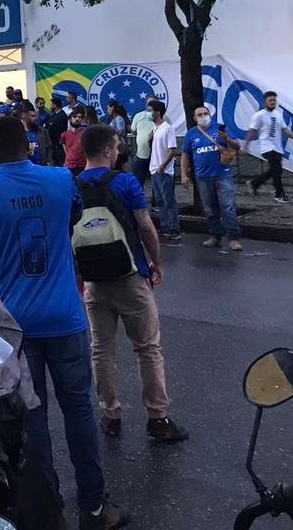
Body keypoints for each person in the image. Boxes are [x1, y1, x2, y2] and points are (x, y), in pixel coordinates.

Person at [0, 118, 126, 530]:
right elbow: (70, 220)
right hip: (66, 317)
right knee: (80, 412)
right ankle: (94, 508)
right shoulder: (62, 181)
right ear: (29, 145)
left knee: (33, 422)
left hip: (16, 327)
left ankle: (50, 512)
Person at [78, 125, 189, 444]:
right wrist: (156, 263)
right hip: (130, 277)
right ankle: (157, 417)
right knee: (148, 349)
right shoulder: (125, 181)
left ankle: (110, 414)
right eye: (116, 146)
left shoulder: (72, 185)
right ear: (108, 151)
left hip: (94, 282)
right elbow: (145, 227)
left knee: (101, 350)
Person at [181, 106, 243, 251]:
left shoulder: (220, 128)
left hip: (222, 175)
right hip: (202, 177)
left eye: (205, 113)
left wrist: (226, 139)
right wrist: (184, 175)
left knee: (228, 207)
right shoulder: (191, 134)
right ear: (194, 118)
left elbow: (237, 146)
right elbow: (185, 155)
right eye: (200, 115)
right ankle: (215, 236)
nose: (203, 116)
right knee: (210, 209)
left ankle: (233, 238)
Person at [246, 91, 293, 203]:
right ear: (265, 101)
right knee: (277, 170)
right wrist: (246, 145)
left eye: (274, 100)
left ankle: (254, 183)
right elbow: (252, 130)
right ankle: (279, 194)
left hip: (277, 147)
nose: (272, 102)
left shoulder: (277, 115)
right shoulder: (259, 115)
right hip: (267, 147)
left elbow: (285, 130)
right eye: (270, 100)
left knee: (275, 170)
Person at [149, 101, 180, 241]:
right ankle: (165, 225)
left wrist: (163, 165)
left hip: (164, 170)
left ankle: (174, 228)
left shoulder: (168, 128)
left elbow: (172, 150)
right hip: (154, 169)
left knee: (169, 200)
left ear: (157, 112)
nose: (148, 113)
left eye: (150, 110)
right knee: (160, 201)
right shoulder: (155, 129)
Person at [129, 96, 159, 188]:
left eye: (154, 103)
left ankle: (156, 202)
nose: (151, 105)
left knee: (157, 183)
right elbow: (133, 130)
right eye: (149, 103)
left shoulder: (164, 117)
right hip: (141, 155)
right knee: (137, 181)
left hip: (157, 157)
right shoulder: (139, 116)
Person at [61, 107, 88, 176]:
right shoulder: (64, 135)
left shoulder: (86, 133)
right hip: (69, 166)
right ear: (70, 119)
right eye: (75, 117)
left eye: (79, 117)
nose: (77, 119)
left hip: (82, 166)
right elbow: (65, 150)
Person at [48, 96, 69, 167]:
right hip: (53, 145)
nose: (50, 106)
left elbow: (53, 127)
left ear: (55, 105)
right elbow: (47, 124)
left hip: (59, 145)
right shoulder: (54, 115)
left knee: (60, 164)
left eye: (51, 104)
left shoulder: (62, 116)